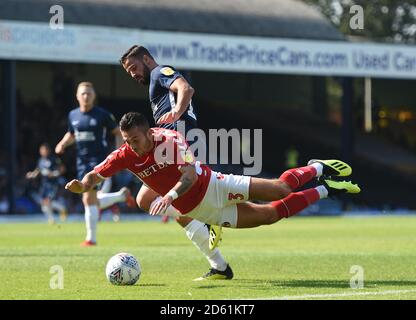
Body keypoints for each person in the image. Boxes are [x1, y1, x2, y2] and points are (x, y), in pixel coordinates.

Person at [65, 113, 361, 272]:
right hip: (202, 211)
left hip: (215, 187)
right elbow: (96, 172)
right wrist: (83, 184)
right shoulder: (125, 154)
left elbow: (190, 175)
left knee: (279, 189)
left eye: (136, 139)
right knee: (270, 215)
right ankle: (326, 190)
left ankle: (318, 168)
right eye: (127, 140)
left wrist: (169, 197)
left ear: (150, 133)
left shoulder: (169, 140)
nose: (132, 146)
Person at [120, 46, 231, 280]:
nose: (132, 74)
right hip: (170, 149)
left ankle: (208, 218)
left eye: (133, 67)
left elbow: (186, 88)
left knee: (148, 200)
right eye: (128, 71)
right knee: (166, 208)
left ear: (147, 59)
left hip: (176, 147)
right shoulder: (154, 82)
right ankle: (220, 266)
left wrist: (177, 112)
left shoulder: (160, 72)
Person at [55, 82, 136, 246]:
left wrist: (120, 152)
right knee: (91, 199)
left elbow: (117, 132)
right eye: (83, 93)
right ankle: (121, 196)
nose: (86, 96)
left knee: (88, 197)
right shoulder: (73, 115)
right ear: (77, 96)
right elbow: (72, 133)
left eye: (89, 94)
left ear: (94, 96)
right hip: (81, 161)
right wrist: (62, 144)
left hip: (98, 160)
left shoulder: (102, 114)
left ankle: (91, 239)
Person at [26, 143, 67, 224]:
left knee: (48, 201)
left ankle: (60, 210)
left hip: (53, 184)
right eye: (41, 150)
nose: (42, 152)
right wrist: (31, 174)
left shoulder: (54, 159)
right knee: (44, 203)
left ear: (48, 150)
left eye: (44, 150)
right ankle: (53, 217)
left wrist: (54, 174)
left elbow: (62, 169)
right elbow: (38, 171)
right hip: (44, 184)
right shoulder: (41, 160)